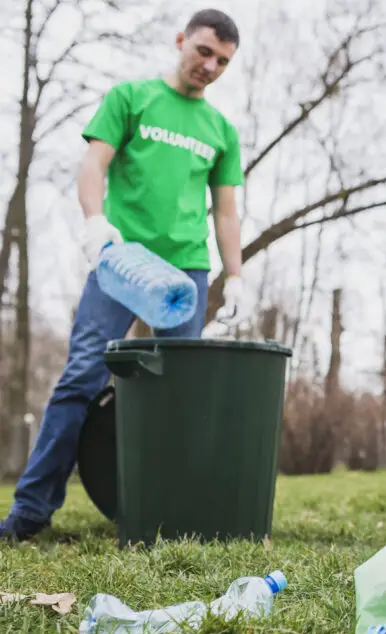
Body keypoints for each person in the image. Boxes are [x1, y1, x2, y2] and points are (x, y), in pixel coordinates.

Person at [0, 9, 249, 541]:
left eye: (223, 61)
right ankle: (30, 513)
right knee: (82, 377)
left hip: (186, 272)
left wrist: (237, 276)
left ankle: (171, 513)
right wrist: (95, 224)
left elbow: (226, 212)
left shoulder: (221, 130)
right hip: (121, 262)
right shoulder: (131, 98)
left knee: (179, 393)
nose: (210, 66)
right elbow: (93, 165)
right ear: (181, 40)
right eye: (204, 51)